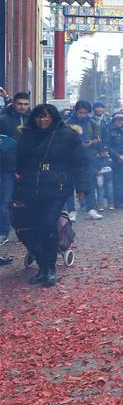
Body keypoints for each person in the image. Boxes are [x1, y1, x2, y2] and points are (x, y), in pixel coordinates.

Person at [13, 104, 90, 287]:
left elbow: (80, 162)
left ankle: (50, 268)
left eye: (46, 116)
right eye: (39, 117)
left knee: (49, 224)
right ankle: (42, 267)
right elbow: (19, 162)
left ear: (53, 117)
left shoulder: (67, 135)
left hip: (57, 187)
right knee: (34, 228)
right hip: (31, 188)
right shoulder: (27, 135)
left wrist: (82, 187)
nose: (42, 120)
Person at [0, 91, 30, 259]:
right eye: (20, 104)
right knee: (4, 201)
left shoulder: (32, 120)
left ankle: (26, 231)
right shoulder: (3, 119)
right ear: (14, 104)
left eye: (25, 104)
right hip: (7, 166)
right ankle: (3, 232)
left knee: (27, 201)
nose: (23, 107)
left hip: (27, 167)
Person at [67, 100, 102, 220]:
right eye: (80, 113)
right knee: (70, 184)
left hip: (88, 157)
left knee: (90, 182)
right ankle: (71, 210)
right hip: (71, 157)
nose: (82, 115)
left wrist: (91, 142)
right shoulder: (68, 123)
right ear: (76, 111)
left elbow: (98, 139)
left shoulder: (92, 123)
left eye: (85, 113)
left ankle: (91, 209)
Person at [104, 113, 123, 208]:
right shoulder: (109, 131)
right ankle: (116, 200)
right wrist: (117, 155)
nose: (120, 122)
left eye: (121, 120)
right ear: (114, 121)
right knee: (116, 180)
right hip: (115, 159)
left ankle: (122, 198)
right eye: (117, 120)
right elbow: (107, 145)